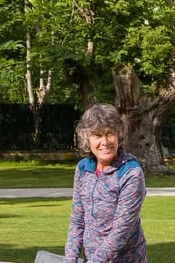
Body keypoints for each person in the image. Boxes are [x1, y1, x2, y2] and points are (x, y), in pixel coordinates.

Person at [64, 104, 147, 263]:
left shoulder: (131, 173)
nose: (105, 142)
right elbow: (77, 220)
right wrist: (70, 258)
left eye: (110, 134)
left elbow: (121, 231)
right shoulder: (83, 169)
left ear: (118, 135)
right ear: (87, 139)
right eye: (97, 135)